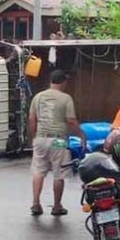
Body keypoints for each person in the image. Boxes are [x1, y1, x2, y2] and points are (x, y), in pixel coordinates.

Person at [28, 70, 86, 216]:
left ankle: (35, 203)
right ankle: (57, 206)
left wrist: (35, 137)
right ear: (63, 82)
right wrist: (82, 136)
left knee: (38, 171)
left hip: (41, 138)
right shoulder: (66, 98)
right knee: (58, 173)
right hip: (58, 140)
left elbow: (31, 119)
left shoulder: (38, 97)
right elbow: (71, 121)